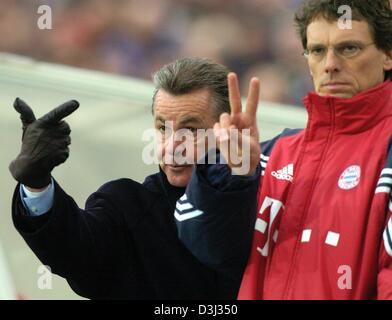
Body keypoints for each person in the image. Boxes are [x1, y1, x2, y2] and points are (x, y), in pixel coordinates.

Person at [176, 0, 392, 299]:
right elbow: (211, 253)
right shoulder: (269, 155)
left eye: (349, 48)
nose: (330, 64)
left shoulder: (387, 157)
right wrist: (235, 179)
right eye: (317, 50)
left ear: (387, 55)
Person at [9, 57, 260, 299]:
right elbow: (74, 250)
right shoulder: (126, 207)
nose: (171, 147)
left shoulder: (273, 200)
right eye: (163, 128)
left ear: (228, 131)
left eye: (191, 130)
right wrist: (37, 183)